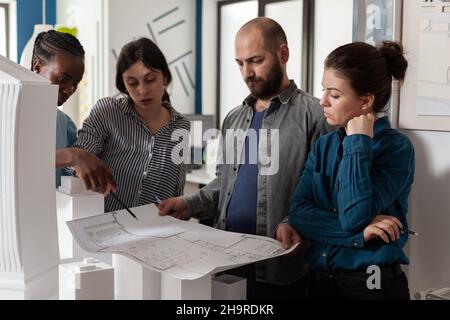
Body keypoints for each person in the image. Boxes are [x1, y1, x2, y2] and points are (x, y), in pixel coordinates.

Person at [158, 17, 328, 299]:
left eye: (256, 60)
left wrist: (293, 221)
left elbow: (323, 192)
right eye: (240, 63)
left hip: (281, 270)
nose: (247, 72)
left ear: (283, 54)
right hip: (228, 265)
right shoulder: (235, 118)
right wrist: (189, 204)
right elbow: (223, 182)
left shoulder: (314, 115)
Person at [284, 41, 414, 300]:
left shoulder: (396, 148)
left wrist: (358, 142)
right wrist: (360, 234)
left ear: (366, 100)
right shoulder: (324, 145)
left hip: (370, 287)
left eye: (334, 94)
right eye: (324, 91)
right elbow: (298, 213)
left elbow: (354, 216)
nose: (322, 102)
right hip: (318, 284)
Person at [73, 38, 190, 212]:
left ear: (164, 77)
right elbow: (77, 165)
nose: (142, 91)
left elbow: (176, 189)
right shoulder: (108, 112)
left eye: (150, 79)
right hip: (106, 228)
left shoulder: (181, 127)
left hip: (157, 230)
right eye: (132, 83)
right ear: (124, 86)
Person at [31, 30, 116, 193]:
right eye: (63, 79)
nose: (69, 90)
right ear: (37, 66)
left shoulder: (65, 125)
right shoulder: (7, 115)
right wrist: (71, 156)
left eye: (75, 84)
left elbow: (68, 176)